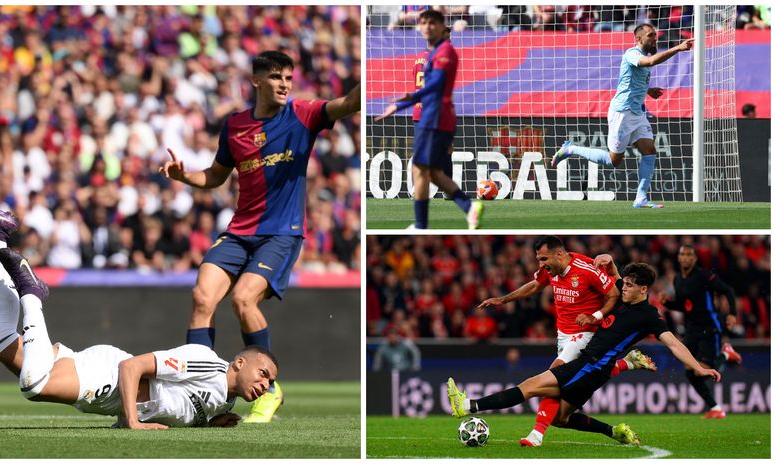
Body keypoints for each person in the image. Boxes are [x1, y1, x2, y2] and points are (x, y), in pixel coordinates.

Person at [0, 188, 278, 429]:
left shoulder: (224, 402)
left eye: (268, 382)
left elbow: (178, 406)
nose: (265, 386)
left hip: (108, 393)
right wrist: (132, 421)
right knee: (34, 386)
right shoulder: (208, 364)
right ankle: (31, 292)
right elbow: (132, 368)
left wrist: (208, 424)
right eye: (263, 374)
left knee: (0, 343)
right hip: (110, 375)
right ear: (238, 362)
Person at [158, 50, 360, 422]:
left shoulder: (303, 113)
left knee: (243, 299)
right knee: (202, 297)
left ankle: (270, 390)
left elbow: (348, 103)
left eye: (288, 77)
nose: (284, 84)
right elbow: (216, 176)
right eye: (276, 77)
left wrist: (375, 72)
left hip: (281, 233)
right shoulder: (234, 125)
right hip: (239, 231)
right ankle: (200, 392)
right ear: (256, 80)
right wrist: (184, 176)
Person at [449, 262, 721, 446]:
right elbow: (614, 275)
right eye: (624, 283)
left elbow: (673, 343)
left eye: (629, 285)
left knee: (529, 387)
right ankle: (613, 431)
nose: (622, 288)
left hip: (589, 367)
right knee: (560, 418)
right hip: (593, 370)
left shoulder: (649, 316)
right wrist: (610, 261)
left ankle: (470, 406)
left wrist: (699, 367)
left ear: (643, 290)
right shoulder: (623, 300)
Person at [476, 236, 655, 447]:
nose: (541, 265)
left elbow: (614, 294)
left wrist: (595, 316)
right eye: (538, 260)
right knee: (559, 418)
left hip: (585, 334)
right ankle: (614, 427)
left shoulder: (586, 268)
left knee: (554, 376)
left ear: (558, 253)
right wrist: (503, 299)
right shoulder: (550, 270)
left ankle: (535, 435)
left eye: (544, 259)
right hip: (564, 335)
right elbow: (535, 286)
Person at [551, 25, 695, 209]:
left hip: (637, 112)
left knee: (649, 151)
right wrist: (678, 48)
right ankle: (570, 149)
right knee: (614, 161)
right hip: (622, 113)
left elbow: (634, 78)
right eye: (650, 36)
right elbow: (648, 63)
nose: (655, 39)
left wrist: (648, 90)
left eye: (655, 36)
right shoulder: (632, 54)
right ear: (639, 39)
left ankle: (641, 198)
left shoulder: (643, 57)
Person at [375, 9, 483, 230]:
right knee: (430, 170)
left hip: (436, 117)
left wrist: (407, 100)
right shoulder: (434, 53)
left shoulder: (445, 51)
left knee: (421, 168)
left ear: (443, 27)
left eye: (432, 23)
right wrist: (399, 104)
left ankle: (422, 225)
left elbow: (437, 84)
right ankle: (467, 206)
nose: (427, 26)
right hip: (429, 115)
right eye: (423, 22)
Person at [659, 244, 742, 419]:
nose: (685, 257)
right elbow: (685, 306)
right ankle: (716, 408)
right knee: (689, 369)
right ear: (679, 258)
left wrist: (732, 313)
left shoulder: (704, 275)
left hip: (709, 325)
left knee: (703, 370)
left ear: (695, 258)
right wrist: (667, 303)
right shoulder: (678, 280)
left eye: (689, 254)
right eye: (683, 254)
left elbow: (727, 290)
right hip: (692, 328)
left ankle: (726, 354)